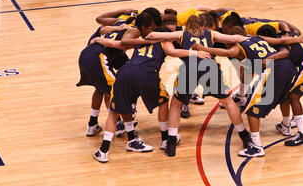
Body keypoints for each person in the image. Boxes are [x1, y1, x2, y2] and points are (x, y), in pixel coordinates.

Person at [91, 15, 213, 163]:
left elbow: (115, 44)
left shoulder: (140, 42)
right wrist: (195, 53)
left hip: (125, 73)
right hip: (147, 74)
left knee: (116, 111)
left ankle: (105, 150)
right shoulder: (163, 42)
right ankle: (164, 139)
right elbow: (174, 52)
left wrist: (98, 39)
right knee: (163, 101)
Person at [144, 14, 255, 157]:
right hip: (210, 68)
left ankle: (171, 141)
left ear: (187, 25)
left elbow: (152, 34)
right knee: (228, 101)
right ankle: (245, 136)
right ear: (203, 25)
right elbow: (234, 38)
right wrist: (254, 40)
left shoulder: (182, 33)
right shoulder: (211, 34)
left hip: (190, 68)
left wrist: (145, 40)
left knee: (176, 103)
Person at [192, 26, 300, 157]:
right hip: (289, 67)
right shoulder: (256, 38)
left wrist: (203, 49)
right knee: (285, 98)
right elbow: (246, 75)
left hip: (274, 70)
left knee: (250, 109)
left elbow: (226, 53)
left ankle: (256, 147)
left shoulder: (238, 47)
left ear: (229, 40)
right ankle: (286, 126)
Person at [259, 33, 303, 146]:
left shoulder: (284, 44)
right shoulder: (296, 40)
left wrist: (258, 38)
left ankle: (302, 135)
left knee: (292, 96)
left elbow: (283, 49)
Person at [76, 9, 138, 137]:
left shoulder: (116, 23)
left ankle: (92, 124)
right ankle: (119, 125)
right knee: (116, 90)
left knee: (100, 89)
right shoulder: (129, 29)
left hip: (87, 55)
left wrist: (124, 11)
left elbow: (100, 22)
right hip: (98, 57)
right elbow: (121, 44)